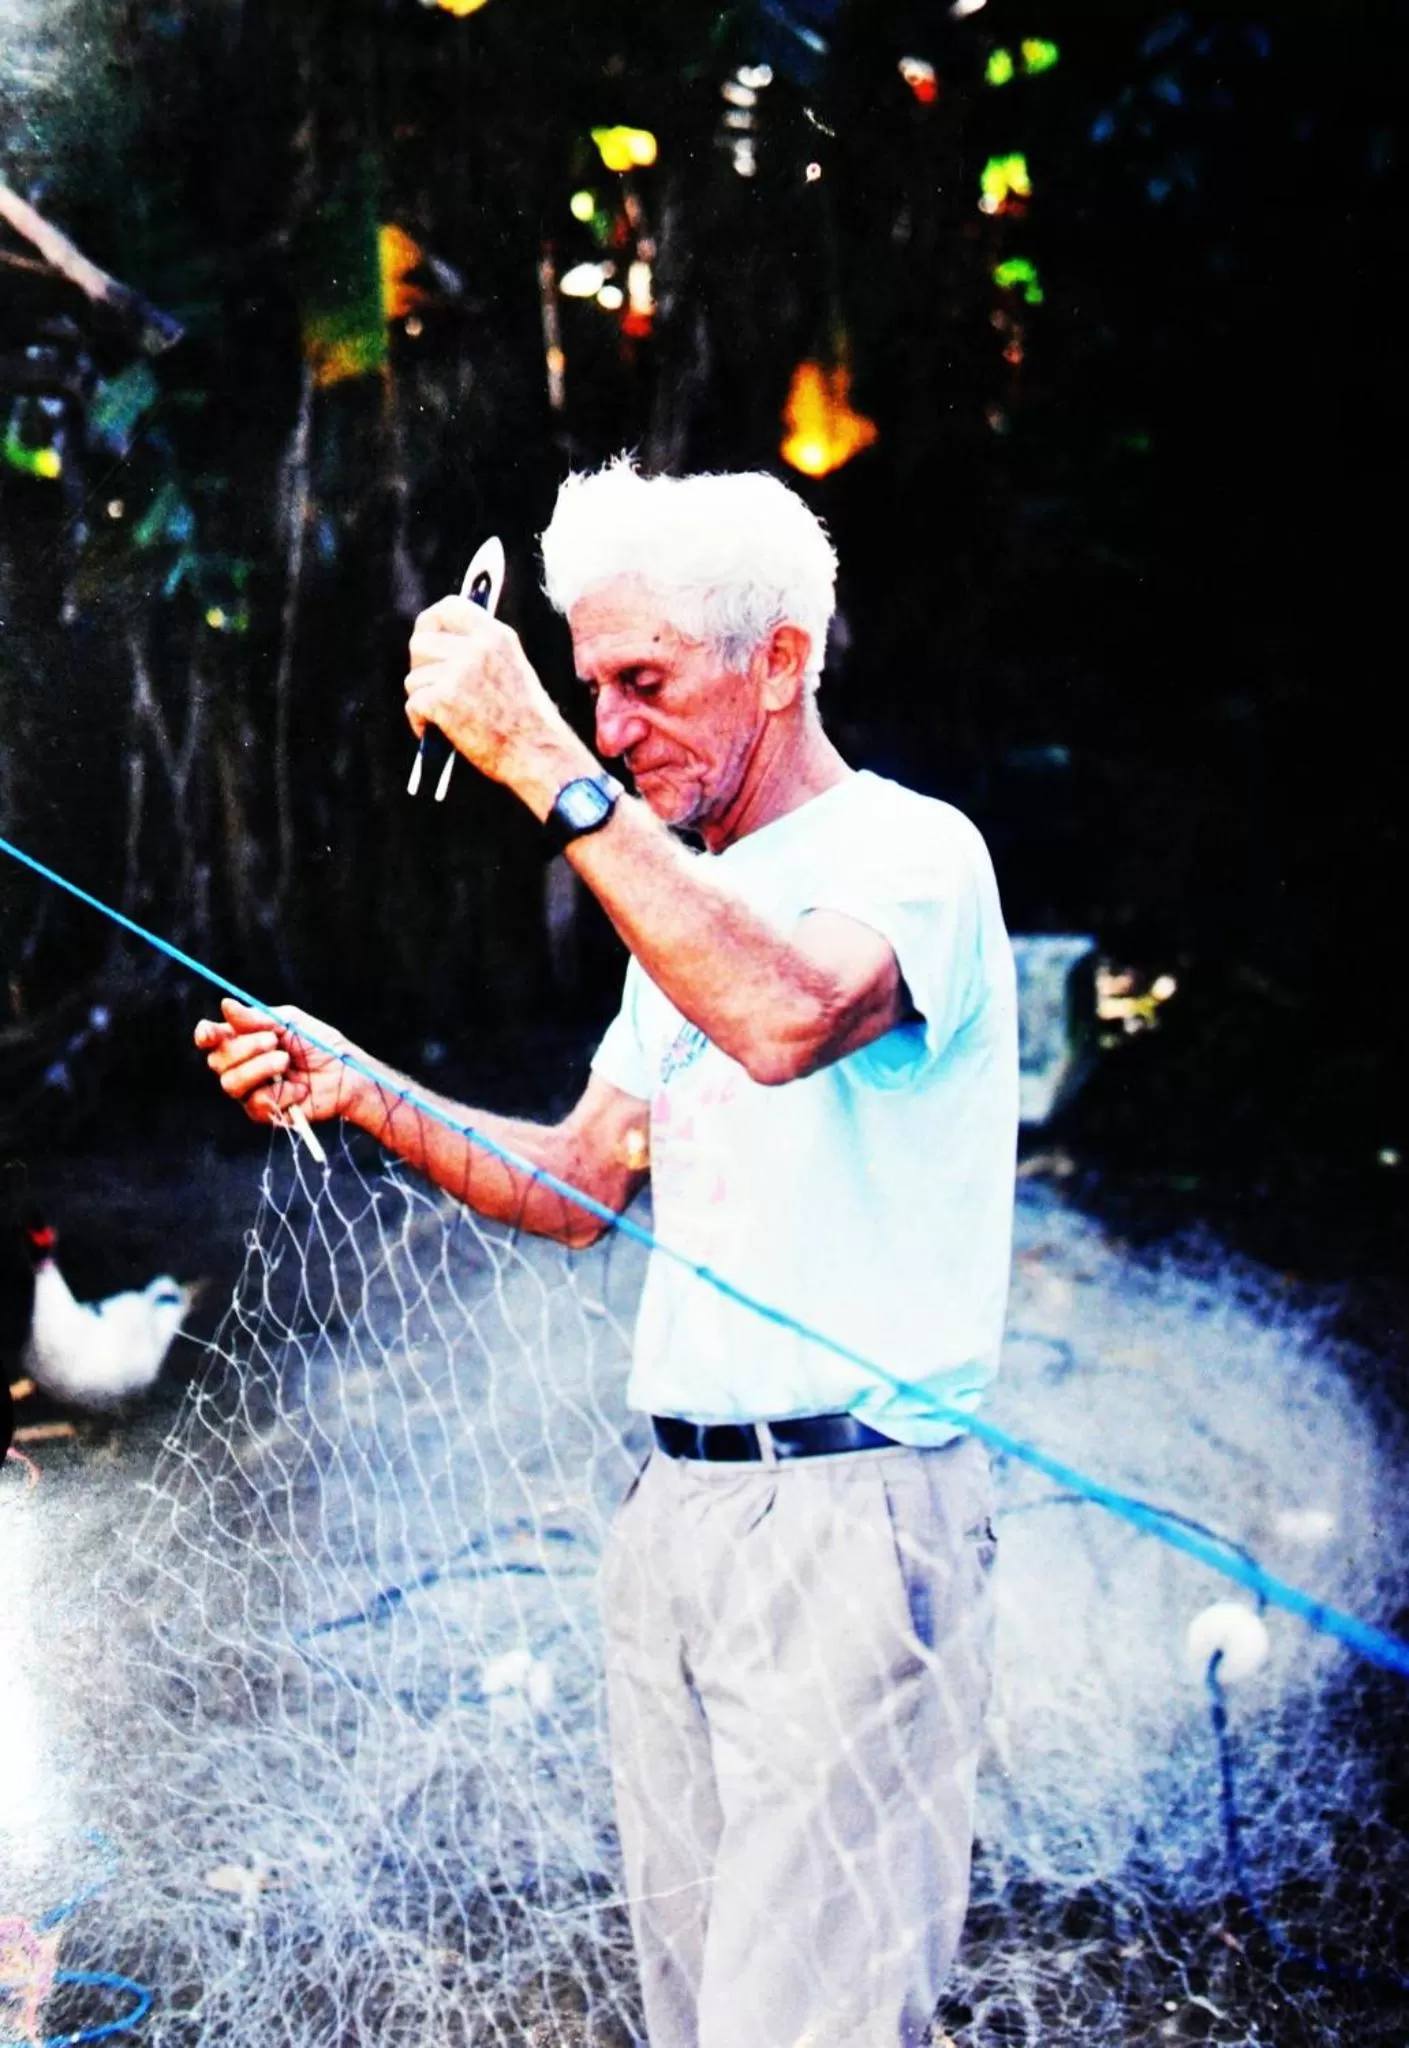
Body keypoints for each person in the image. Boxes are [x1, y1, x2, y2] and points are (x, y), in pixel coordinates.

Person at [195, 459, 1018, 2048]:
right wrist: (363, 1088)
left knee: (814, 2025)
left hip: (852, 1520)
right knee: (702, 2009)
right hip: (676, 1520)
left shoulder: (916, 855)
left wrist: (545, 760)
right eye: (590, 689)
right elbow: (578, 1182)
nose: (617, 726)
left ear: (780, 660)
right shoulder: (688, 901)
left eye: (645, 683)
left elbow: (784, 1018)